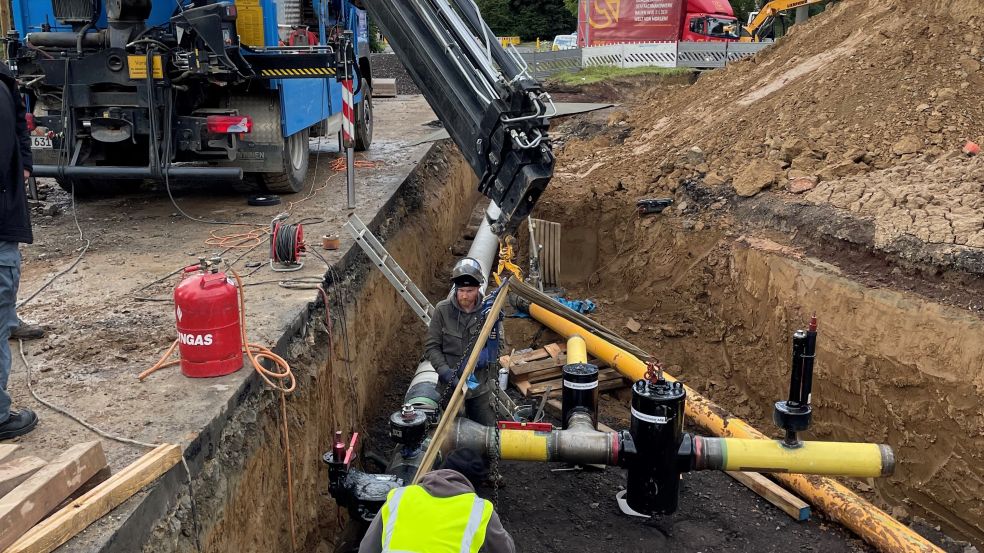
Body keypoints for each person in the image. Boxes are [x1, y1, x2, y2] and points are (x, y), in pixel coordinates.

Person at [358, 449, 515, 553]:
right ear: (474, 484)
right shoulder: (479, 511)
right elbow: (507, 550)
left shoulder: (399, 496)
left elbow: (366, 549)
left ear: (441, 468)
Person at [0, 62, 39, 440]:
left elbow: (18, 128)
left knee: (4, 290)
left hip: (6, 208)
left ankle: (9, 320)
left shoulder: (4, 82)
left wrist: (24, 165)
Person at [424, 257, 499, 426]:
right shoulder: (442, 310)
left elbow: (499, 345)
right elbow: (431, 347)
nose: (464, 295)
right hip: (449, 388)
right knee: (451, 436)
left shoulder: (489, 311)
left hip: (479, 388)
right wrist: (445, 372)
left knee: (486, 434)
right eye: (461, 290)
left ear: (479, 288)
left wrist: (482, 358)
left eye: (469, 290)